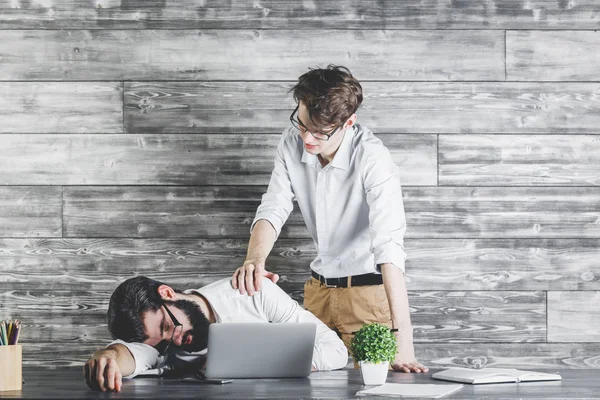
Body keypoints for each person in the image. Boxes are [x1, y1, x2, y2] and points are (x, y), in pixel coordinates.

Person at [232, 65, 427, 373]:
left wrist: (403, 336)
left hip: (368, 297)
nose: (307, 138)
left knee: (376, 387)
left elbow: (389, 247)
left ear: (349, 123)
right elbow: (274, 205)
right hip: (318, 293)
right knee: (302, 385)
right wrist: (254, 259)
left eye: (321, 133)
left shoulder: (373, 159)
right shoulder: (290, 141)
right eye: (302, 123)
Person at [83, 276, 348, 392]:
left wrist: (281, 361)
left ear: (167, 294)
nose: (174, 340)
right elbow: (131, 355)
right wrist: (109, 356)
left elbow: (335, 350)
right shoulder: (162, 343)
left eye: (167, 327)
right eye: (162, 341)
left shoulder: (254, 294)